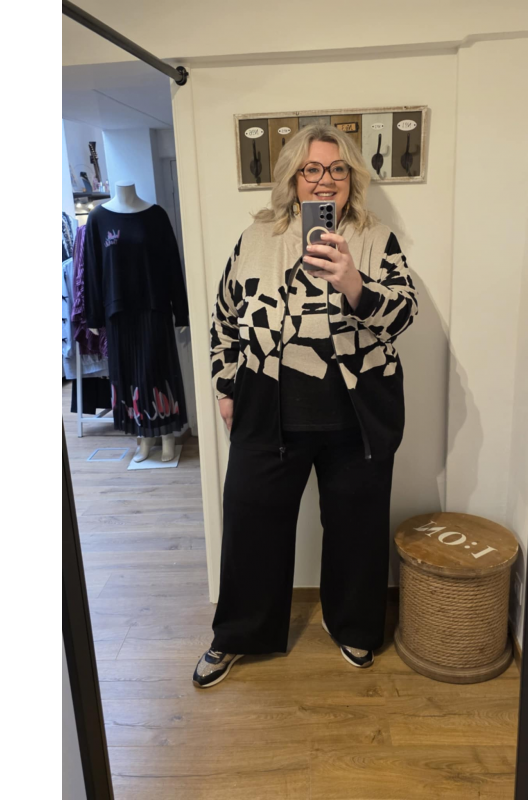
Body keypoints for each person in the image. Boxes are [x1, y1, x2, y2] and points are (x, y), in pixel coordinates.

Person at [193, 124, 419, 688]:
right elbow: (225, 317)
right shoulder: (255, 239)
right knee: (250, 526)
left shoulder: (376, 238)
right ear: (294, 179)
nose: (325, 180)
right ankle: (237, 634)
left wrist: (354, 282)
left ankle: (355, 627)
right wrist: (225, 387)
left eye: (337, 169)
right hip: (266, 409)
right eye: (312, 169)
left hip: (356, 414)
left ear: (351, 179)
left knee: (356, 530)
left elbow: (403, 316)